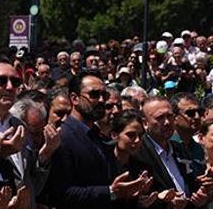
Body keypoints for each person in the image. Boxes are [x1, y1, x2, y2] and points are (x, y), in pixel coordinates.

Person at [48, 71, 152, 208]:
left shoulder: (98, 136)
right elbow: (61, 194)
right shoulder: (63, 137)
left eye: (104, 95)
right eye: (94, 95)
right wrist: (111, 192)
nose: (102, 100)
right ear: (74, 99)